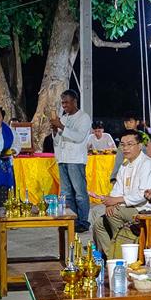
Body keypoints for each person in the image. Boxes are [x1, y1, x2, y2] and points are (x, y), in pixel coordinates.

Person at [91, 130, 151, 256]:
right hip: (127, 206)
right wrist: (110, 202)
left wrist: (115, 201)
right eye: (122, 145)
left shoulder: (147, 164)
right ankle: (112, 255)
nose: (125, 148)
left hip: (144, 208)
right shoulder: (124, 165)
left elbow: (143, 194)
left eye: (130, 144)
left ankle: (126, 253)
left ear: (139, 146)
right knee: (99, 224)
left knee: (113, 214)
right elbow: (117, 188)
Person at [50, 90, 92, 232]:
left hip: (76, 159)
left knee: (80, 193)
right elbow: (58, 140)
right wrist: (55, 130)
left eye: (66, 102)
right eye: (62, 103)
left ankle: (83, 221)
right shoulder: (64, 117)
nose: (64, 105)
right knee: (66, 193)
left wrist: (60, 126)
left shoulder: (84, 118)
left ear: (75, 101)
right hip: (63, 158)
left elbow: (79, 137)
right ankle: (72, 220)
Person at [110, 114, 148, 182]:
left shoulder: (143, 137)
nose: (128, 124)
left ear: (137, 122)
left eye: (130, 122)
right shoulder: (123, 137)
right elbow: (119, 157)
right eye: (126, 122)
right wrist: (114, 176)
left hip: (142, 170)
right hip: (128, 170)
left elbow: (148, 154)